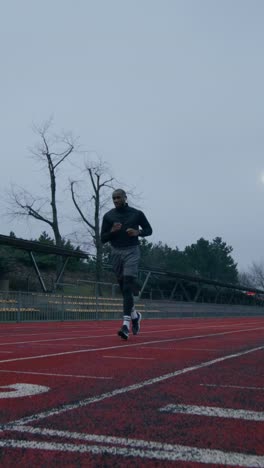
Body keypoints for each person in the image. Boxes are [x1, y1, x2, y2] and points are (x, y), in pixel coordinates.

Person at [100, 189, 152, 340]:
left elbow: (149, 230)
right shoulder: (109, 216)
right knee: (124, 290)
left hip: (132, 252)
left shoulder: (136, 214)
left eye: (118, 197)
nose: (116, 200)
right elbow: (103, 238)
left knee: (128, 285)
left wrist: (138, 233)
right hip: (116, 252)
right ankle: (135, 316)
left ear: (125, 198)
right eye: (113, 198)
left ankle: (125, 326)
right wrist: (112, 231)